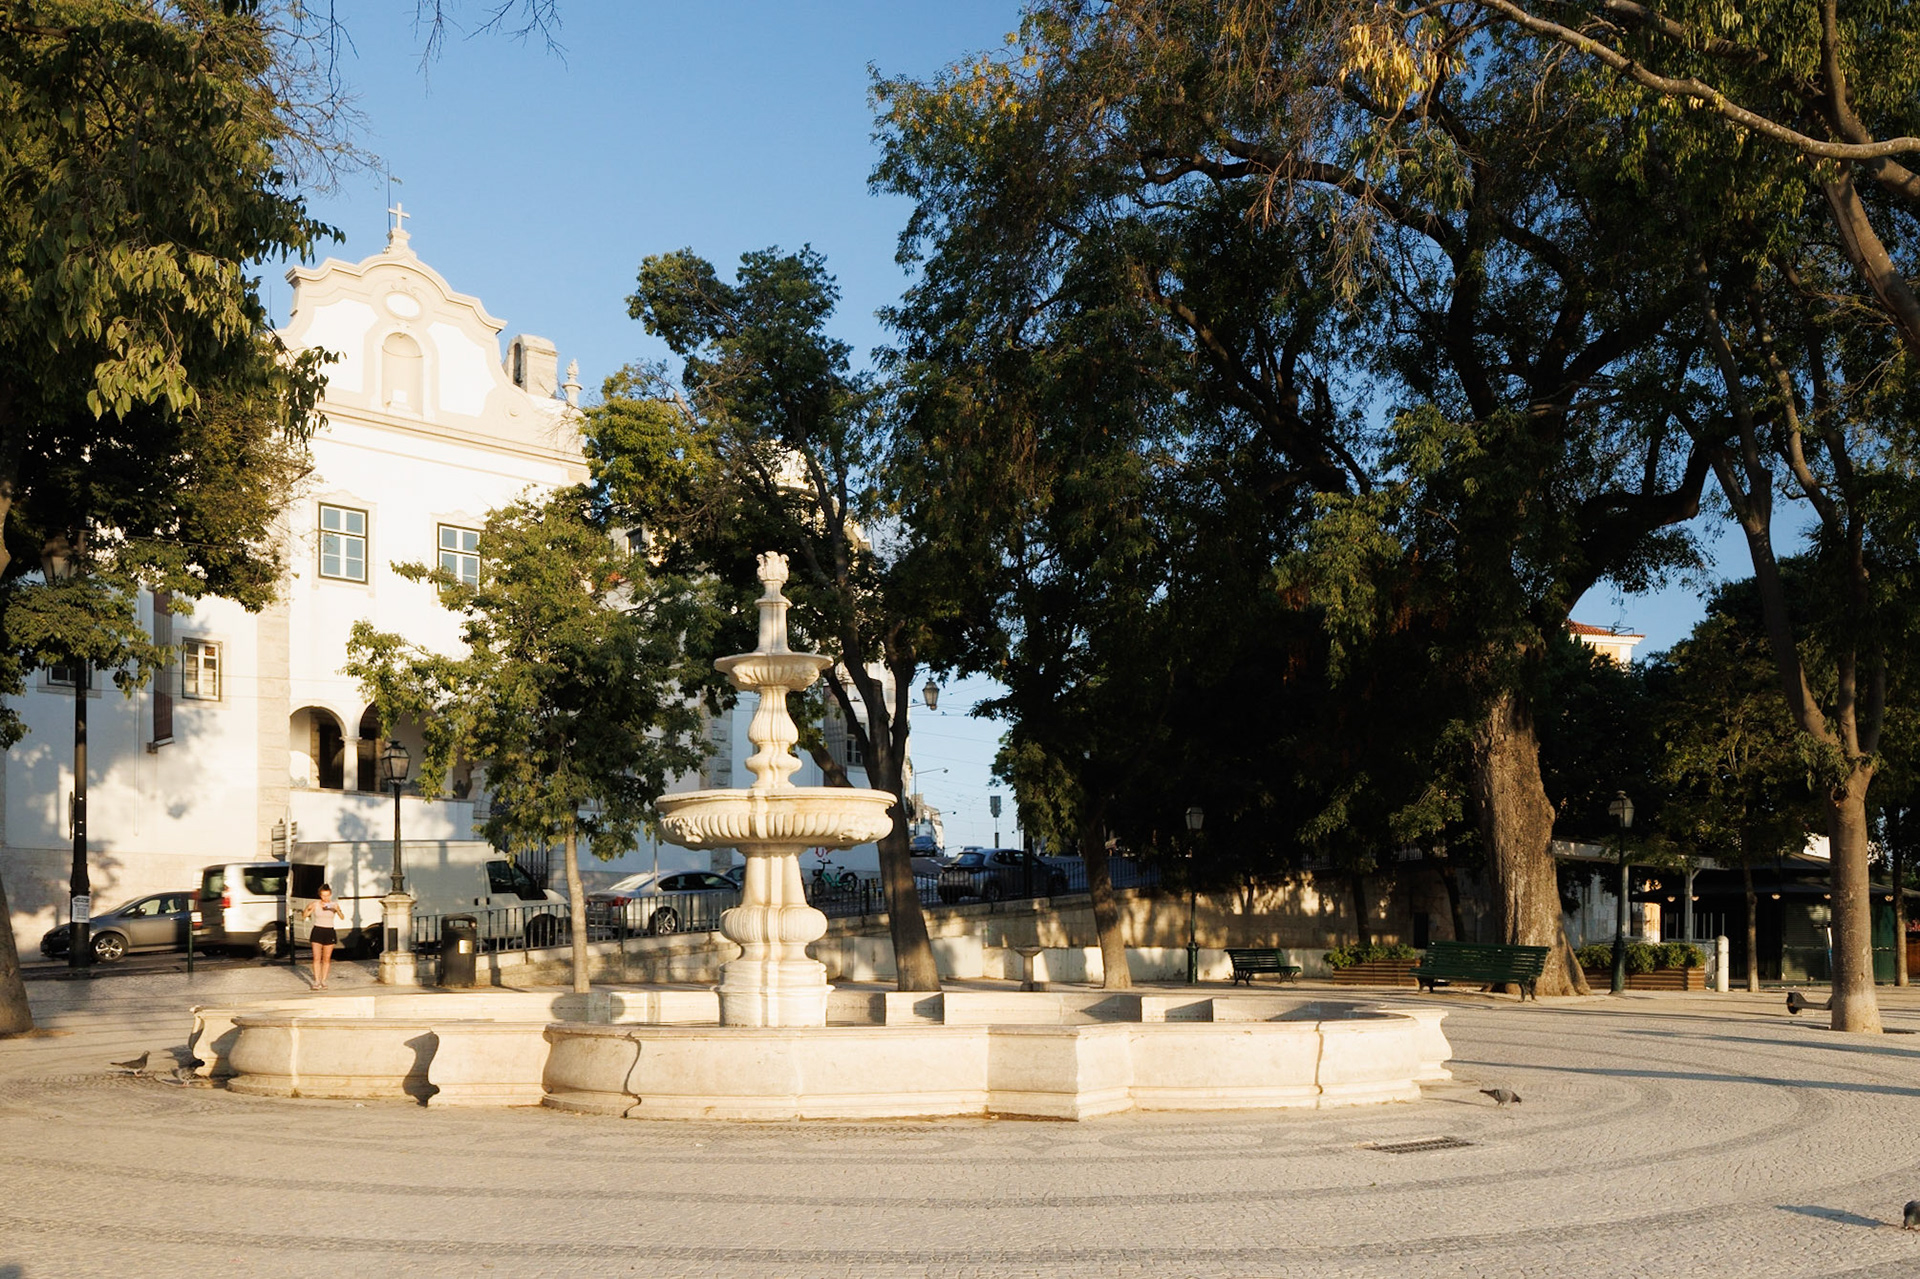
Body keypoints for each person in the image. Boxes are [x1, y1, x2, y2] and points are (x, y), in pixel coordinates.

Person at [300, 884, 347, 990]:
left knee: (326, 958)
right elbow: (304, 916)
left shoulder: (334, 904)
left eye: (327, 895)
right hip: (318, 930)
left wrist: (337, 909)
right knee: (316, 958)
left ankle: (324, 980)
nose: (325, 898)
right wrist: (308, 908)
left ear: (330, 895)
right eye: (323, 896)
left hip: (329, 931)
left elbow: (342, 917)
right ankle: (316, 981)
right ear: (320, 895)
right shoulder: (315, 904)